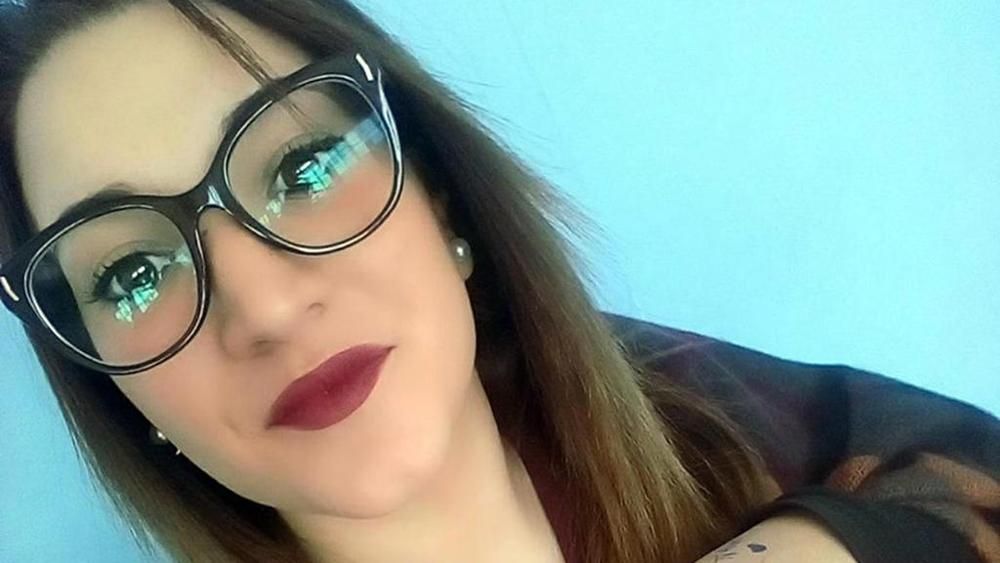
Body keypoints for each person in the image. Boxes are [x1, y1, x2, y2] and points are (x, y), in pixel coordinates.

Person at [0, 1, 995, 562]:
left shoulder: (713, 418)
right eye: (132, 274)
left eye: (301, 169)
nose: (264, 307)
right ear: (114, 390)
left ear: (440, 198)